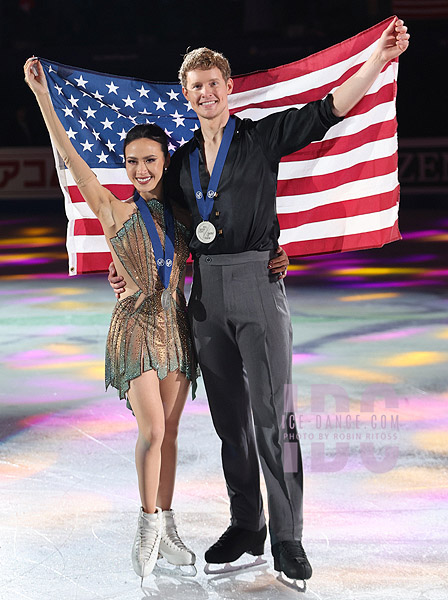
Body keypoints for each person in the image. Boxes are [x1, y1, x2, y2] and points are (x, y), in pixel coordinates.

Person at [109, 17, 410, 584]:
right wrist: (120, 267)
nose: (205, 93)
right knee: (230, 423)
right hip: (204, 299)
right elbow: (148, 221)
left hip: (257, 286)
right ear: (187, 95)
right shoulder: (178, 165)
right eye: (195, 86)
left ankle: (288, 536)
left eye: (213, 83)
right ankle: (246, 522)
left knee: (276, 420)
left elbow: (328, 111)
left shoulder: (261, 138)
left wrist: (377, 61)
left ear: (229, 87)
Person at [23, 57, 200, 582]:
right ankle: (146, 528)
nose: (141, 170)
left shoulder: (186, 213)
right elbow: (71, 156)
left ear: (166, 161)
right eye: (132, 162)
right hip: (136, 329)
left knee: (169, 433)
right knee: (150, 429)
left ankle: (167, 525)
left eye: (149, 160)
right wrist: (41, 96)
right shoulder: (113, 210)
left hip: (176, 327)